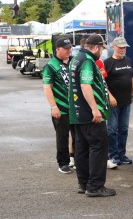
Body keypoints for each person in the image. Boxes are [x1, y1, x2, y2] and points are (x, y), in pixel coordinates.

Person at [69, 34, 116, 197]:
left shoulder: (76, 58)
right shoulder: (88, 61)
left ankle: (83, 183)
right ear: (96, 47)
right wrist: (95, 109)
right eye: (102, 48)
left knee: (82, 149)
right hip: (91, 115)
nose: (102, 52)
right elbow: (85, 85)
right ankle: (95, 186)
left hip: (79, 113)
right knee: (98, 147)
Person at [104, 36, 133, 167]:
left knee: (123, 128)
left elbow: (131, 77)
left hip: (126, 101)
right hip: (113, 102)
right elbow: (103, 83)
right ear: (114, 47)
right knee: (112, 129)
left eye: (124, 47)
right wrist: (110, 97)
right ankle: (113, 155)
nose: (123, 50)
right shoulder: (107, 63)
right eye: (120, 47)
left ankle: (121, 154)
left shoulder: (128, 60)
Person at [42, 37, 73, 174]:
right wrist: (53, 106)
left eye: (69, 48)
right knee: (62, 137)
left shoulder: (73, 62)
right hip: (61, 109)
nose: (68, 51)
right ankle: (63, 163)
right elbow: (47, 87)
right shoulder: (51, 66)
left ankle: (76, 158)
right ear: (57, 49)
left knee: (78, 135)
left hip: (75, 108)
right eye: (65, 49)